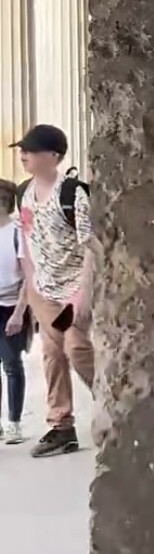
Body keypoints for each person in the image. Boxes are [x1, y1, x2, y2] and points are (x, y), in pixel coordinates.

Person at [11, 124, 98, 458]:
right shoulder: (23, 192)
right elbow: (27, 238)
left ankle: (111, 402)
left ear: (53, 156)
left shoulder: (73, 194)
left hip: (74, 287)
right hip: (43, 289)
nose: (24, 156)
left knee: (76, 348)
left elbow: (91, 246)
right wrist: (31, 284)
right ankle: (61, 426)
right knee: (52, 356)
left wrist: (82, 294)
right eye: (22, 150)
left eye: (30, 151)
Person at [0, 179, 31, 444]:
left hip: (11, 305)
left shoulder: (17, 232)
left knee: (11, 364)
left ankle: (14, 422)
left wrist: (19, 312)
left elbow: (28, 276)